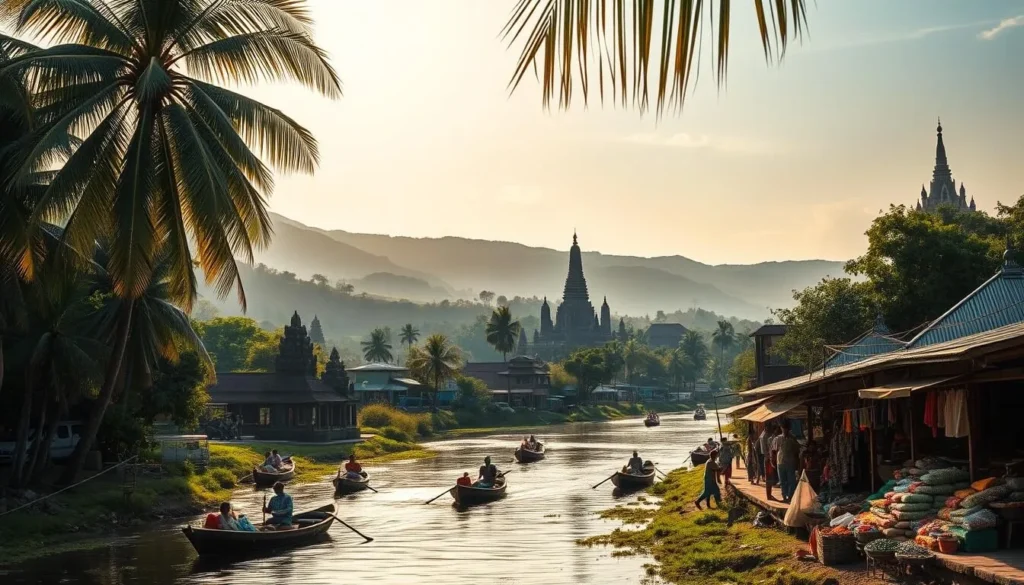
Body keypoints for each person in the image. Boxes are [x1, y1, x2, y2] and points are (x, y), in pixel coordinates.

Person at [776, 423, 801, 503]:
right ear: (781, 428)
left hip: (790, 462)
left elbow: (797, 449)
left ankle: (790, 496)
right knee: (782, 481)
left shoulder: (793, 438)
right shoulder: (778, 438)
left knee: (791, 481)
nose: (785, 430)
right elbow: (775, 450)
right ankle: (784, 497)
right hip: (780, 462)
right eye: (783, 428)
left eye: (786, 428)